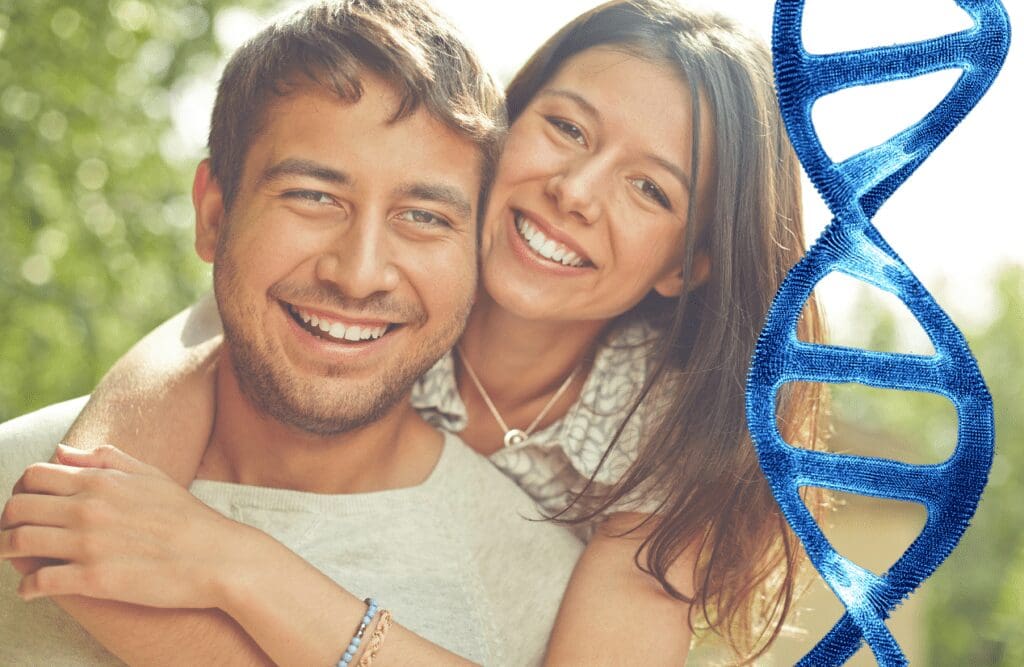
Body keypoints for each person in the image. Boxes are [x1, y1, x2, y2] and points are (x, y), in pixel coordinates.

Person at [3, 0, 829, 663]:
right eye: (568, 129)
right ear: (498, 131)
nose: (577, 189)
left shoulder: (671, 449)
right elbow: (79, 524)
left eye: (649, 189)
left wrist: (238, 564)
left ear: (684, 270)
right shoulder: (370, 274)